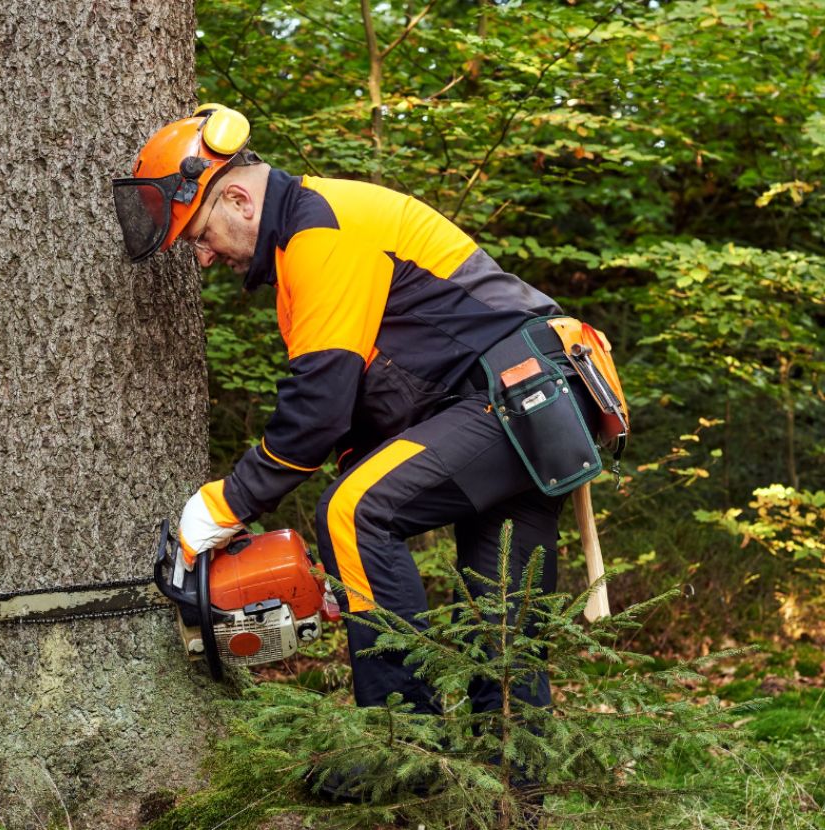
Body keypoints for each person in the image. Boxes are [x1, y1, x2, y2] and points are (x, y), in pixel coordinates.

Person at [111, 104, 603, 752]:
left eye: (201, 234)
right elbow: (371, 414)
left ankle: (405, 754)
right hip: (526, 408)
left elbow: (316, 415)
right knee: (502, 636)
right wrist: (359, 581)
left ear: (238, 198)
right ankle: (496, 807)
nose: (202, 257)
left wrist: (221, 507)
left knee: (355, 514)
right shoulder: (307, 246)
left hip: (520, 396)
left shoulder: (321, 234)